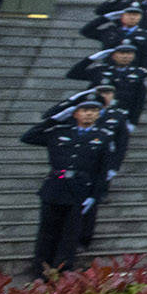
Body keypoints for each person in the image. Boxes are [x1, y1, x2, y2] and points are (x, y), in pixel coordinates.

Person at [26, 98, 119, 278]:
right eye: (85, 110)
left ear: (99, 115)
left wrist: (95, 195)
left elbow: (102, 170)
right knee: (46, 231)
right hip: (55, 187)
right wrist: (54, 119)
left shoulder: (103, 137)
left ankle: (62, 270)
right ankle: (40, 270)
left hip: (79, 189)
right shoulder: (59, 131)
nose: (89, 114)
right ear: (75, 113)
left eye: (93, 111)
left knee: (70, 234)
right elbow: (28, 137)